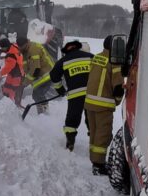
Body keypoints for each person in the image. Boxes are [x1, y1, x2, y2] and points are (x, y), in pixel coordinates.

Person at [84, 35, 125, 175]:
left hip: (89, 103)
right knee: (103, 134)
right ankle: (99, 165)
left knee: (94, 133)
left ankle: (94, 161)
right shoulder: (114, 62)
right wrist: (118, 100)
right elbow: (118, 86)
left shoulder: (96, 58)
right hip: (103, 105)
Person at [49, 40, 94, 151]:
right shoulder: (90, 56)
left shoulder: (63, 61)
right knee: (92, 118)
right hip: (92, 93)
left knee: (72, 119)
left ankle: (70, 142)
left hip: (75, 95)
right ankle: (94, 142)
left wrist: (60, 89)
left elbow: (54, 75)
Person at [17, 36, 55, 114]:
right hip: (40, 75)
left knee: (38, 93)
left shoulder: (33, 49)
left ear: (26, 43)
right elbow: (27, 67)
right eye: (19, 47)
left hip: (48, 74)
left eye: (22, 47)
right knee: (36, 95)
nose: (20, 49)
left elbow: (35, 69)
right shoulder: (25, 50)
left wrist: (26, 82)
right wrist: (24, 78)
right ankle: (41, 113)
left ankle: (45, 113)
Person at [0, 37, 24, 105]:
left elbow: (7, 68)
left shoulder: (11, 56)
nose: (2, 49)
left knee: (13, 90)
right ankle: (6, 100)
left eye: (2, 47)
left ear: (6, 46)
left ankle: (13, 105)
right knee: (7, 87)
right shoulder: (14, 46)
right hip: (14, 73)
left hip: (17, 75)